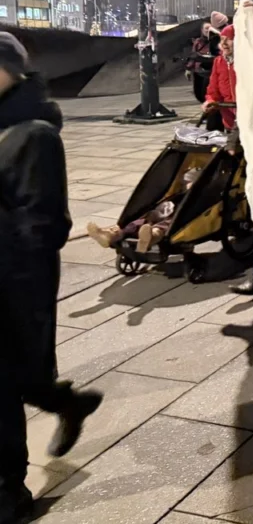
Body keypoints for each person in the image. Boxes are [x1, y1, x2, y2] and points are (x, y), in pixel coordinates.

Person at [0, 33, 103, 523]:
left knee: (5, 383)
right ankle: (66, 402)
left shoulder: (33, 134)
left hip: (14, 284)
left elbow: (45, 227)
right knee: (22, 378)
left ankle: (9, 490)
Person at [86, 168, 201, 253]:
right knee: (138, 221)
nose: (187, 186)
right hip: (161, 211)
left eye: (190, 184)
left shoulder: (198, 197)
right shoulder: (178, 194)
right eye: (186, 184)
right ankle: (113, 234)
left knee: (164, 226)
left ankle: (151, 237)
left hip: (179, 216)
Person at [203, 24, 238, 131]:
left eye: (229, 39)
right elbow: (213, 89)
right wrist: (210, 100)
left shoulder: (246, 60)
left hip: (247, 118)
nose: (224, 43)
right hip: (229, 119)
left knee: (233, 146)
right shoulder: (219, 62)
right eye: (222, 39)